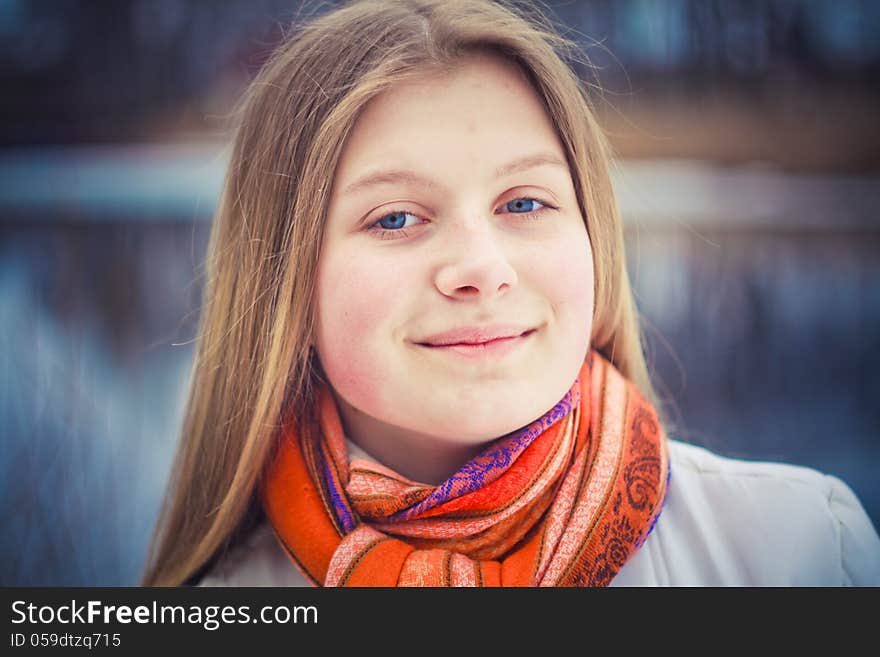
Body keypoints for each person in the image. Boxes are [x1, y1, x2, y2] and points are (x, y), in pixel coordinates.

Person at [141, 0, 880, 587]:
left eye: (524, 203)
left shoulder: (802, 550)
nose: (481, 267)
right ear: (284, 288)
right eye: (395, 217)